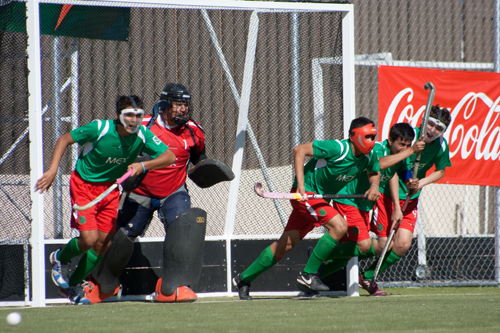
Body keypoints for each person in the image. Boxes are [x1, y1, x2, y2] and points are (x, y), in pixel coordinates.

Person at [35, 95, 176, 305]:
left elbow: (170, 157)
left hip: (110, 190)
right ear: (118, 115)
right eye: (128, 114)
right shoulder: (99, 128)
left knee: (102, 244)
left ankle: (73, 286)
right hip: (84, 186)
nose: (133, 120)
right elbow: (64, 139)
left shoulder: (143, 134)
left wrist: (143, 165)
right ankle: (60, 258)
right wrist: (53, 170)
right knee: (89, 240)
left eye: (138, 115)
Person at [81, 83, 209, 304]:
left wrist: (208, 168)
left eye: (185, 104)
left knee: (183, 228)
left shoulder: (194, 130)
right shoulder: (144, 126)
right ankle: (102, 286)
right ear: (165, 105)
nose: (183, 109)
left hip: (173, 191)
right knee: (118, 236)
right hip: (139, 191)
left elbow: (200, 158)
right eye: (178, 104)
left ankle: (172, 287)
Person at [232, 117, 380, 300]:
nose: (372, 142)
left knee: (284, 245)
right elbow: (299, 150)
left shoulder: (369, 156)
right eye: (368, 137)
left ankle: (243, 279)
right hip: (305, 194)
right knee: (339, 226)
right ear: (353, 136)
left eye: (373, 137)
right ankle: (308, 274)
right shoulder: (338, 148)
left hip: (320, 199)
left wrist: (374, 186)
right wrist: (301, 185)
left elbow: (374, 172)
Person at [314, 122, 425, 296]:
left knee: (352, 252)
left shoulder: (401, 156)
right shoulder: (378, 149)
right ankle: (319, 257)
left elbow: (397, 173)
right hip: (350, 198)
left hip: (365, 204)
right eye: (401, 144)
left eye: (408, 145)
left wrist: (409, 185)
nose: (405, 148)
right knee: (371, 245)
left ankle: (318, 271)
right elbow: (379, 165)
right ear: (390, 141)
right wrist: (411, 151)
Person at [357, 105, 452, 295]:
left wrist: (421, 182)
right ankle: (344, 257)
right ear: (424, 119)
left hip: (411, 199)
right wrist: (408, 179)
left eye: (439, 128)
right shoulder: (410, 137)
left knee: (402, 245)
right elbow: (398, 166)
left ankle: (367, 277)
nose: (433, 130)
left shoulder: (441, 145)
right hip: (389, 196)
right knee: (384, 244)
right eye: (431, 124)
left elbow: (441, 171)